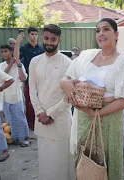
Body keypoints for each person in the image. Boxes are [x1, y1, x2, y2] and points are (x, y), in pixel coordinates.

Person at [60, 18, 124, 179]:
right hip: (83, 116)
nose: (101, 33)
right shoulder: (86, 55)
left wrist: (96, 113)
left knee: (106, 161)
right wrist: (66, 84)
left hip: (109, 120)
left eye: (106, 29)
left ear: (116, 34)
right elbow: (65, 78)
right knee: (85, 159)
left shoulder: (123, 61)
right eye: (98, 30)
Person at [26, 24, 74, 180]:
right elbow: (32, 90)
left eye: (53, 39)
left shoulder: (68, 63)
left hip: (60, 120)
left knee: (61, 163)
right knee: (46, 162)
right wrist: (40, 113)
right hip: (42, 120)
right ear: (42, 38)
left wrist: (51, 113)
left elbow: (70, 95)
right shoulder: (35, 61)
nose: (49, 42)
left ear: (59, 40)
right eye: (46, 38)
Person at [0, 44, 30, 147]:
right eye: (2, 52)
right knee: (10, 119)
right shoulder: (0, 65)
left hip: (16, 96)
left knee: (20, 118)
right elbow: (1, 77)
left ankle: (25, 138)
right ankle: (14, 138)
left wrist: (18, 65)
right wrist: (10, 64)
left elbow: (23, 78)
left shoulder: (19, 65)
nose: (3, 53)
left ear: (12, 52)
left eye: (5, 51)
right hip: (5, 97)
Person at [19, 27, 45, 130]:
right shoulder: (23, 48)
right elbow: (18, 61)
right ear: (28, 35)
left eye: (35, 34)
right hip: (29, 78)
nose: (34, 36)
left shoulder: (42, 49)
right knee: (30, 100)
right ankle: (31, 123)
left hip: (42, 79)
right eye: (32, 34)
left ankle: (41, 119)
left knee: (42, 99)